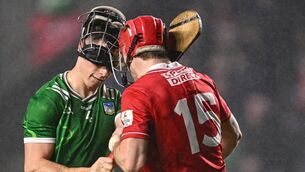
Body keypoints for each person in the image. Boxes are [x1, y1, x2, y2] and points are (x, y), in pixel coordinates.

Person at [108, 16, 242, 171]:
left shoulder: (138, 93)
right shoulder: (202, 79)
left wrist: (117, 137)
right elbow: (233, 135)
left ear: (128, 54)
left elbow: (130, 163)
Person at [23, 6, 126, 172]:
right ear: (81, 45)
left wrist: (120, 137)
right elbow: (34, 167)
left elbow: (124, 131)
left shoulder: (114, 99)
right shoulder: (47, 101)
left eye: (110, 66)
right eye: (98, 61)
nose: (104, 72)